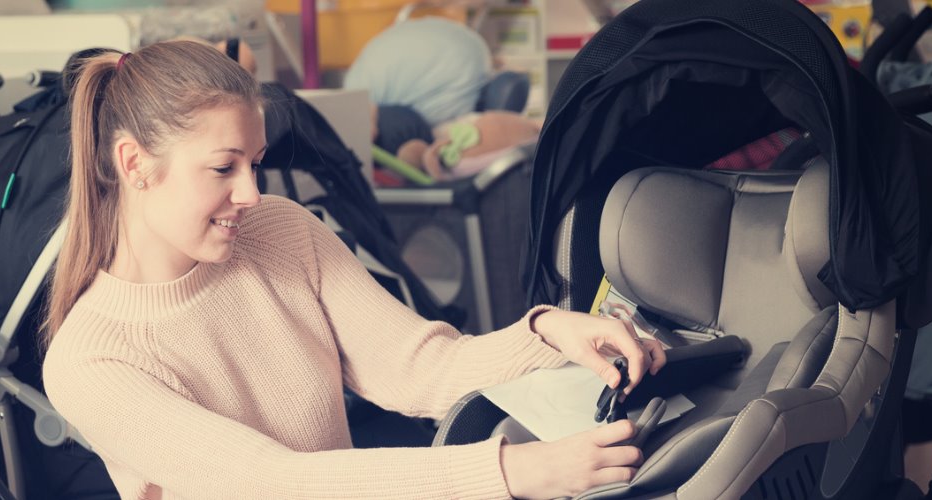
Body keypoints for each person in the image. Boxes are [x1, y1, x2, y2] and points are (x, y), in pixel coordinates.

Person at [42, 40, 667, 499]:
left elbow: (424, 370)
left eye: (255, 164)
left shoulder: (281, 231)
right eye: (223, 167)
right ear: (134, 164)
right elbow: (272, 483)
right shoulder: (88, 361)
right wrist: (514, 473)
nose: (251, 193)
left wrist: (551, 332)